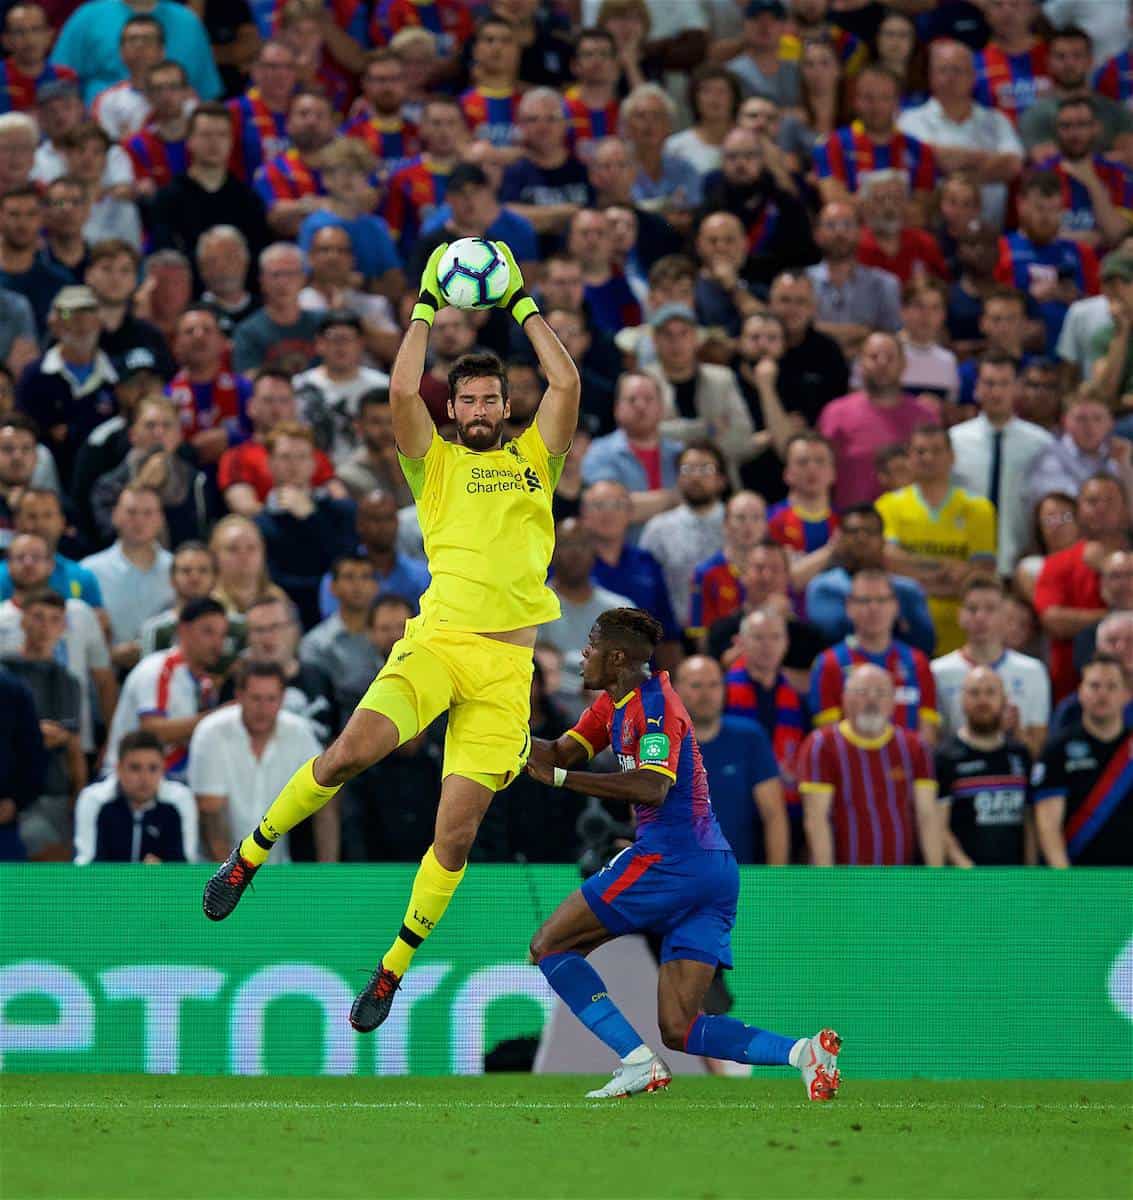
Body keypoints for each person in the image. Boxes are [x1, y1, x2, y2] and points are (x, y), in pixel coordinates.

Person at [203, 241, 582, 1038]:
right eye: (468, 400)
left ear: (506, 406)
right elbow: (401, 384)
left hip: (507, 667)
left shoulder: (535, 461)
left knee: (457, 832)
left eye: (490, 400)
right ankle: (250, 853)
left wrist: (519, 301)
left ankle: (391, 970)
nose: (478, 410)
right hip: (438, 643)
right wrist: (422, 300)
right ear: (454, 410)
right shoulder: (432, 464)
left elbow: (567, 381)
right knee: (347, 754)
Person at [525, 606, 841, 1100]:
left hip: (670, 858)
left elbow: (650, 788)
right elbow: (560, 753)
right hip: (713, 870)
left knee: (551, 946)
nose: (581, 655)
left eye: (590, 645)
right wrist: (507, 742)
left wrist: (561, 781)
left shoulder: (657, 708)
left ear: (617, 657)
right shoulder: (613, 704)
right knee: (680, 1025)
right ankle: (804, 1053)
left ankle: (635, 1061)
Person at [799, 663, 942, 866]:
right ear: (844, 699)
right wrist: (826, 885)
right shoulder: (822, 745)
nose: (872, 699)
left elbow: (927, 815)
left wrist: (935, 879)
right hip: (843, 881)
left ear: (893, 702)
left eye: (881, 693)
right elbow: (816, 819)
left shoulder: (915, 747)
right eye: (862, 691)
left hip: (901, 881)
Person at [190, 659, 329, 865]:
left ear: (283, 699)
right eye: (256, 698)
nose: (263, 708)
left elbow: (326, 802)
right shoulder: (211, 733)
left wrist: (327, 870)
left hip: (278, 870)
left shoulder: (299, 732)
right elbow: (211, 817)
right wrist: (232, 882)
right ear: (239, 696)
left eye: (271, 699)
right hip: (214, 870)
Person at [876, 424, 998, 655]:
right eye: (920, 451)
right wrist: (946, 567)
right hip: (903, 632)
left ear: (952, 457)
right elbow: (888, 561)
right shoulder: (887, 505)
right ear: (909, 458)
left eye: (937, 450)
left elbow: (981, 575)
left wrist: (915, 577)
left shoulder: (979, 509)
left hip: (962, 635)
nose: (928, 458)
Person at [0, 531, 116, 758]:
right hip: (11, 745)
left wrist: (111, 741)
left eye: (36, 557)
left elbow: (104, 681)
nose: (28, 564)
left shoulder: (81, 613)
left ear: (51, 564)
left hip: (77, 739)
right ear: (7, 565)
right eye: (20, 557)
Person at [897, 39, 1023, 229]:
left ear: (973, 77)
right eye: (943, 70)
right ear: (930, 76)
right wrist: (985, 160)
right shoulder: (910, 120)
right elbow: (930, 159)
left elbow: (1012, 165)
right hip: (932, 231)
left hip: (989, 236)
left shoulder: (996, 120)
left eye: (958, 70)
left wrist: (952, 164)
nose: (951, 77)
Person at [675, 651, 786, 865]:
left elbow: (774, 815)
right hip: (675, 878)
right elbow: (642, 816)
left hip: (739, 876)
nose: (706, 694)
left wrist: (776, 880)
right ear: (676, 691)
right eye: (696, 686)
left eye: (714, 685)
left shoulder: (750, 737)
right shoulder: (657, 744)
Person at [102, 596, 228, 783]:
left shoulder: (206, 683)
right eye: (208, 632)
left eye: (222, 635)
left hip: (171, 781)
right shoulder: (158, 669)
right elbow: (151, 732)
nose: (217, 643)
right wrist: (217, 717)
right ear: (183, 630)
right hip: (124, 781)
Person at [950, 354, 1055, 576]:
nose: (996, 392)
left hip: (1022, 563)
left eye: (1004, 384)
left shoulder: (1042, 443)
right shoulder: (954, 441)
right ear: (977, 388)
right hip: (965, 562)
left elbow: (1061, 511)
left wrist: (1046, 533)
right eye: (989, 383)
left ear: (1017, 388)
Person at [809, 568, 939, 743]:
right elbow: (827, 739)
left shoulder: (918, 663)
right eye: (864, 600)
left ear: (896, 606)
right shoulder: (829, 664)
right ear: (849, 606)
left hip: (906, 767)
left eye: (882, 600)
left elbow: (927, 738)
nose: (873, 607)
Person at [1, 589, 84, 859]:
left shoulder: (69, 682)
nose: (45, 626)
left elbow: (71, 742)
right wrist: (33, 733)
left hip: (53, 790)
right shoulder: (5, 672)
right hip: (10, 793)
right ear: (23, 620)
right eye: (38, 617)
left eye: (54, 619)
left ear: (63, 626)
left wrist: (79, 796)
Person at [1034, 473, 1132, 700]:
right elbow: (1053, 620)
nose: (1100, 508)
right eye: (1092, 501)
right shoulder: (1057, 564)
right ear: (1078, 510)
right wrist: (1116, 617)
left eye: (1109, 501)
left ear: (1126, 510)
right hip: (1073, 693)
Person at [931, 578, 1051, 759]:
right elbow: (933, 744)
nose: (980, 617)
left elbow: (1038, 752)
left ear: (1005, 617)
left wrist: (1016, 731)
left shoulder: (1032, 671)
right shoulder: (938, 672)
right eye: (972, 609)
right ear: (960, 615)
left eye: (990, 609)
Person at [252, 422, 356, 630]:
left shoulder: (342, 511)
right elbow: (271, 579)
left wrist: (311, 517)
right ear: (270, 463)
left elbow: (346, 565)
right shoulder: (258, 524)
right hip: (284, 620)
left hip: (341, 617)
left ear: (314, 463)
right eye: (285, 457)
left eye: (302, 457)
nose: (294, 465)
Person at [818, 332, 939, 511]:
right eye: (874, 357)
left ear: (903, 364)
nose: (882, 363)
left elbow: (935, 473)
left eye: (890, 357)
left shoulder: (925, 416)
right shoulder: (835, 413)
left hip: (911, 525)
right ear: (860, 364)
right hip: (852, 525)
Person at [1033, 654, 1133, 868]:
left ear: (1126, 695)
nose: (1102, 694)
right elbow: (1048, 825)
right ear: (1080, 692)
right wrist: (1065, 881)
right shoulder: (1057, 749)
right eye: (1094, 686)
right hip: (1079, 877)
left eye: (1112, 687)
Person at [146, 102, 270, 273]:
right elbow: (166, 256)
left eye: (222, 135)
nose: (214, 142)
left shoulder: (248, 199)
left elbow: (258, 255)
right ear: (189, 141)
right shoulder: (168, 198)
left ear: (231, 141)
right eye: (206, 135)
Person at [16, 284, 119, 491]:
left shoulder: (117, 376)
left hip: (105, 480)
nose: (79, 321)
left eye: (88, 311)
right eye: (67, 313)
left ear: (100, 321)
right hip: (45, 484)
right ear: (54, 324)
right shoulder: (34, 376)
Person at [934, 666, 1033, 867]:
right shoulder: (945, 757)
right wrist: (967, 869)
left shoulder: (1021, 755)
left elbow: (1030, 821)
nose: (982, 700)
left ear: (1004, 700)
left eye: (990, 692)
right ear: (962, 700)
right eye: (974, 693)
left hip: (1015, 880)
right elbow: (938, 826)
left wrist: (1030, 871)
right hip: (965, 881)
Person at [805, 503, 935, 656]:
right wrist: (895, 623)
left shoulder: (909, 589)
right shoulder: (823, 587)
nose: (861, 538)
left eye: (870, 531)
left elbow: (925, 643)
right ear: (839, 538)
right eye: (853, 531)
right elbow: (830, 637)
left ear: (883, 540)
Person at [579, 479, 680, 659]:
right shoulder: (571, 565)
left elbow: (667, 633)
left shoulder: (647, 563)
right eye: (599, 505)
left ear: (630, 513)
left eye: (617, 505)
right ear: (583, 515)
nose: (608, 512)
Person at [50, 0, 221, 106]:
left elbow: (207, 96)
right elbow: (57, 85)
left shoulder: (189, 23)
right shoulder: (87, 17)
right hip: (97, 141)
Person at [80, 484, 173, 672]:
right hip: (105, 675)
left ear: (161, 519)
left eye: (148, 513)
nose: (139, 521)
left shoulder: (178, 569)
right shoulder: (89, 571)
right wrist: (109, 654)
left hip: (166, 674)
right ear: (115, 516)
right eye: (131, 512)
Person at [639, 441, 728, 634]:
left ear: (722, 479)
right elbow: (647, 587)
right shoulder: (658, 528)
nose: (695, 477)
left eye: (705, 469)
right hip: (675, 633)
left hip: (731, 630)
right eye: (687, 469)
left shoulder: (738, 522)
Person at [74, 727, 197, 863]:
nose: (144, 778)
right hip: (107, 883)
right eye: (135, 768)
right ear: (119, 769)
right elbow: (85, 863)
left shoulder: (178, 801)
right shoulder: (95, 800)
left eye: (153, 768)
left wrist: (163, 873)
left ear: (163, 769)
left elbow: (187, 865)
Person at [580, 371, 682, 525]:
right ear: (616, 408)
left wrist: (635, 503)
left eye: (648, 399)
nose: (640, 406)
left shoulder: (679, 453)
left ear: (661, 408)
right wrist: (675, 498)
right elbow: (608, 510)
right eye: (632, 399)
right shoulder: (598, 452)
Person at [806, 201, 901, 357]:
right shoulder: (802, 282)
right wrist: (862, 331)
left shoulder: (885, 284)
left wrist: (819, 331)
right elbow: (798, 333)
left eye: (847, 224)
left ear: (860, 232)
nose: (840, 232)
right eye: (830, 225)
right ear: (817, 235)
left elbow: (891, 340)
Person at [300, 554, 382, 717]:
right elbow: (318, 698)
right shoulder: (316, 643)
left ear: (376, 586)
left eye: (365, 577)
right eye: (349, 577)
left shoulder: (391, 635)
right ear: (333, 587)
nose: (358, 585)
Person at [232, 243, 322, 376]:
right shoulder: (247, 332)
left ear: (304, 279)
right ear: (262, 281)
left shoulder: (322, 324)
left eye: (290, 274)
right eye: (276, 274)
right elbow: (247, 380)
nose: (283, 282)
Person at [689, 490, 767, 639]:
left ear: (765, 525)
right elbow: (701, 637)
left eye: (756, 517)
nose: (748, 525)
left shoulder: (774, 570)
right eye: (740, 518)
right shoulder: (706, 573)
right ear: (725, 524)